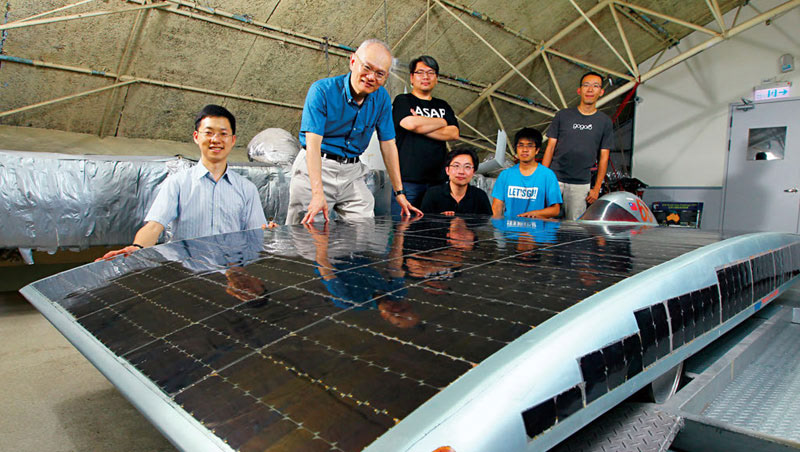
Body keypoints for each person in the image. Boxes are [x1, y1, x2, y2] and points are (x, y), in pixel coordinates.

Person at [99, 104, 271, 260]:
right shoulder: (178, 183)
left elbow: (256, 234)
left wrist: (273, 234)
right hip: (188, 274)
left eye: (223, 134)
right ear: (196, 137)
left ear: (232, 140)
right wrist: (137, 248)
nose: (216, 139)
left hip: (231, 277)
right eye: (209, 133)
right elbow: (154, 226)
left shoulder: (247, 189)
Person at [287, 39, 423, 224]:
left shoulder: (381, 98)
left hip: (352, 172)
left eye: (380, 74)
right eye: (367, 67)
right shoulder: (322, 91)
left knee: (363, 227)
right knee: (306, 233)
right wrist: (317, 194)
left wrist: (400, 193)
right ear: (352, 61)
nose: (371, 77)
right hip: (317, 166)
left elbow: (388, 145)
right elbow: (313, 145)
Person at [391, 55, 460, 214]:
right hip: (407, 182)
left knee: (436, 226)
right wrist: (441, 121)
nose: (425, 77)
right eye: (420, 72)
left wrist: (421, 125)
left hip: (438, 182)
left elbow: (454, 133)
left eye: (430, 73)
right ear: (412, 77)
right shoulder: (403, 100)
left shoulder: (443, 105)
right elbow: (410, 124)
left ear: (436, 78)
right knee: (404, 226)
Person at [542, 71, 614, 220]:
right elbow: (550, 148)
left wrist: (596, 188)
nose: (590, 89)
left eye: (595, 86)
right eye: (586, 85)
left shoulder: (605, 122)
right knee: (545, 221)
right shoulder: (563, 115)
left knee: (574, 226)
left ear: (601, 92)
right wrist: (542, 178)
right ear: (579, 90)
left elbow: (604, 157)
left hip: (581, 184)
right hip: (555, 179)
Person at [492, 128, 562, 218]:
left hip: (536, 226)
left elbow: (555, 209)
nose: (524, 149)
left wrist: (534, 214)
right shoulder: (505, 175)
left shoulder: (547, 175)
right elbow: (496, 207)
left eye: (530, 146)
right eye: (521, 145)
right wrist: (496, 225)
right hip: (510, 226)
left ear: (537, 150)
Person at [420, 148, 491, 215]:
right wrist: (441, 219)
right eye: (456, 166)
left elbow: (487, 222)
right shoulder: (433, 194)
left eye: (467, 167)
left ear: (473, 172)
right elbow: (424, 222)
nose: (461, 172)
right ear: (447, 170)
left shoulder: (480, 196)